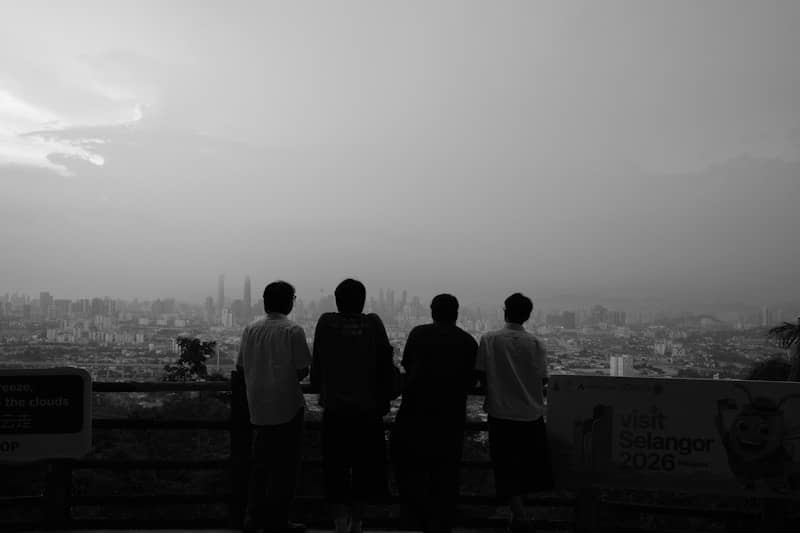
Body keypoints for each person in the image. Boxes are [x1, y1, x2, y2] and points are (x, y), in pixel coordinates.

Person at [311, 278, 396, 533]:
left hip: (335, 410)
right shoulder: (374, 323)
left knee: (334, 468)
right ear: (364, 300)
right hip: (368, 412)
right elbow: (385, 362)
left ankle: (339, 524)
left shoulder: (326, 322)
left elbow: (317, 369)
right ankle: (357, 522)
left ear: (337, 301)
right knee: (365, 468)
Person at [390, 293, 478, 533]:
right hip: (450, 420)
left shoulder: (418, 334)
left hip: (414, 415)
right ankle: (441, 524)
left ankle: (412, 522)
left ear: (432, 312)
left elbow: (407, 364)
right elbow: (472, 379)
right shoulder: (468, 342)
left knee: (412, 475)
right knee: (445, 478)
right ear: (457, 313)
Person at [236, 281, 311, 533]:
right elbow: (302, 369)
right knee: (286, 470)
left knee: (259, 467)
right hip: (288, 406)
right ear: (289, 302)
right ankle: (279, 521)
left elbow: (240, 367)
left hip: (257, 408)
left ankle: (252, 518)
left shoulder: (250, 329)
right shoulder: (293, 330)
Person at [476, 293, 553, 533]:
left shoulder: (489, 339)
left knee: (506, 466)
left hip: (501, 414)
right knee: (527, 468)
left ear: (504, 311)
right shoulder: (537, 343)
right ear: (528, 316)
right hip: (531, 414)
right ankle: (519, 515)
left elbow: (480, 375)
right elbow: (543, 380)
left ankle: (518, 516)